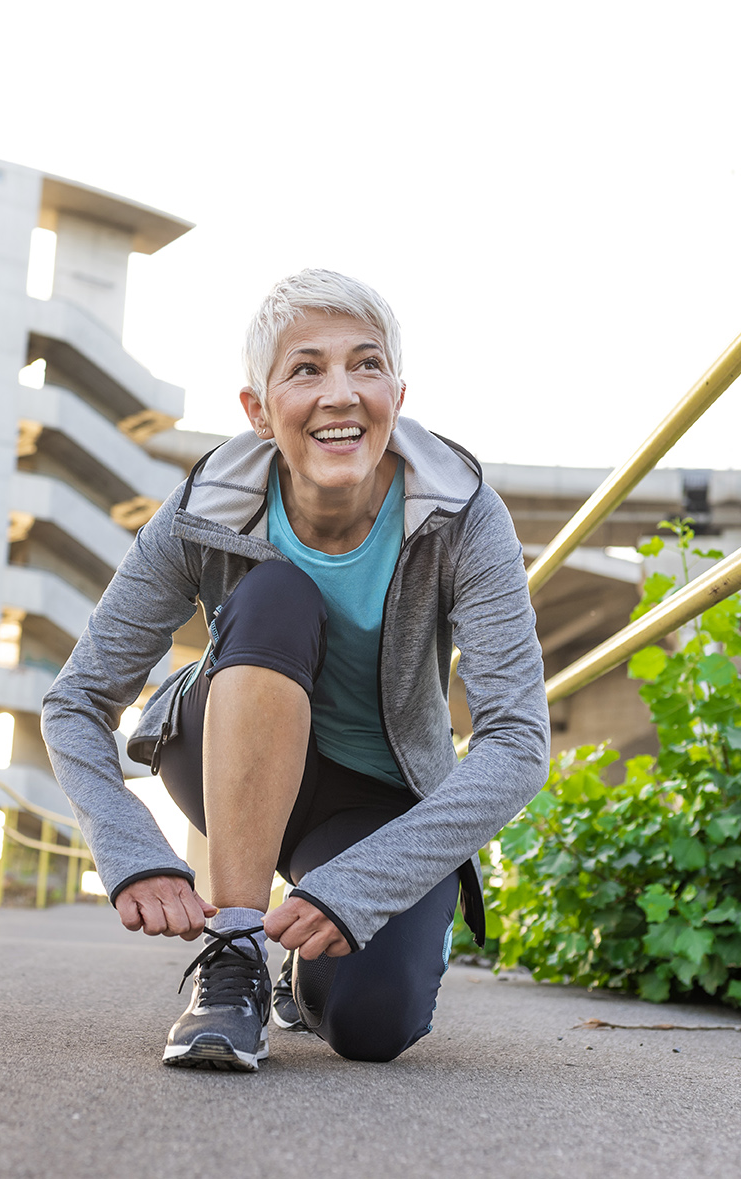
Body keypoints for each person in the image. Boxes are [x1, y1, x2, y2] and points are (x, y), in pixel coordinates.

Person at [41, 269, 549, 1070]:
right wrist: (129, 846)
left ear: (398, 394)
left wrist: (362, 886)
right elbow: (75, 701)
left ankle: (303, 983)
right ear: (258, 410)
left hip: (374, 802)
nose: (340, 393)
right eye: (306, 368)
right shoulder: (204, 511)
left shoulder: (462, 513)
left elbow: (518, 741)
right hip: (222, 746)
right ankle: (234, 958)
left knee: (375, 1026)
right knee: (276, 592)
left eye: (366, 365)